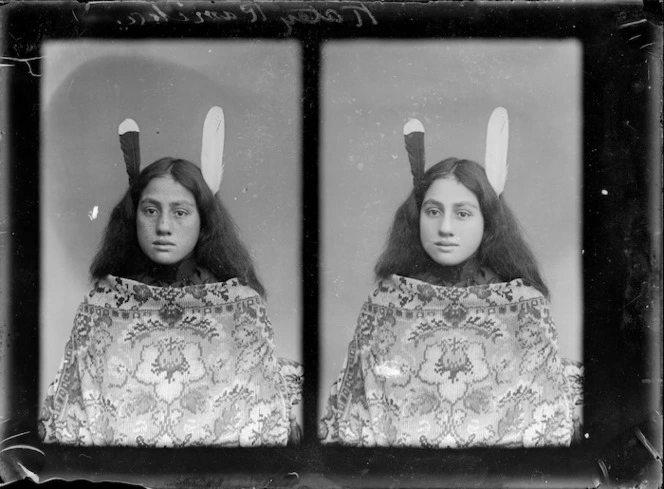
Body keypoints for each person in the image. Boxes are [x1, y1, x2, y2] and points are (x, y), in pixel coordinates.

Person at [320, 108, 583, 448]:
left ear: (487, 221)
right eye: (433, 211)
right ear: (417, 217)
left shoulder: (524, 305)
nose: (445, 228)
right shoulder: (386, 301)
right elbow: (358, 405)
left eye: (462, 213)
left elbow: (541, 413)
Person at [39, 108, 302, 447]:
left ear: (203, 220)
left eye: (180, 212)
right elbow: (75, 412)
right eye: (151, 211)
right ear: (133, 217)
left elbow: (259, 413)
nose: (163, 227)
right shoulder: (100, 305)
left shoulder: (241, 307)